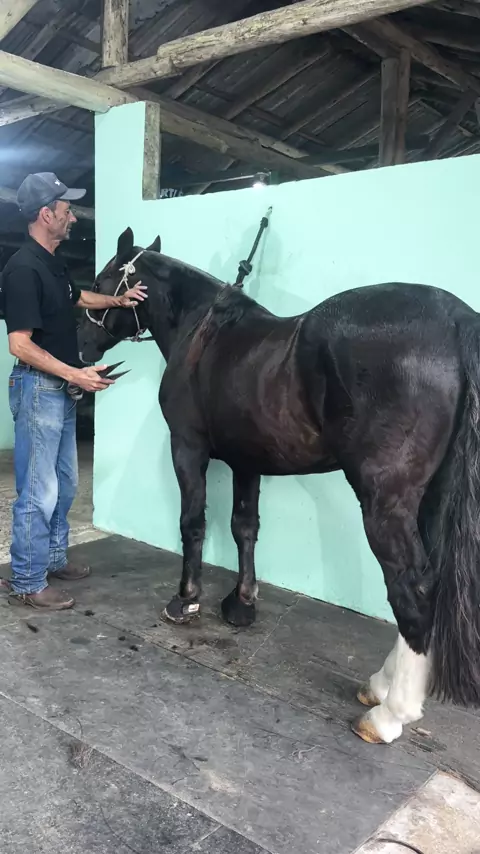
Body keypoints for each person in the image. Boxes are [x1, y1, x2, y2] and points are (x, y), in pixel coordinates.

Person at [1, 172, 147, 610]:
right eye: (67, 211)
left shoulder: (52, 263)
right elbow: (19, 344)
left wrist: (118, 300)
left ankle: (53, 559)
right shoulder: (23, 269)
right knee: (38, 491)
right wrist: (75, 374)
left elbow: (76, 296)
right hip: (38, 389)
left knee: (64, 485)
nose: (74, 218)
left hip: (60, 389)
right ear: (46, 215)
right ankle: (27, 580)